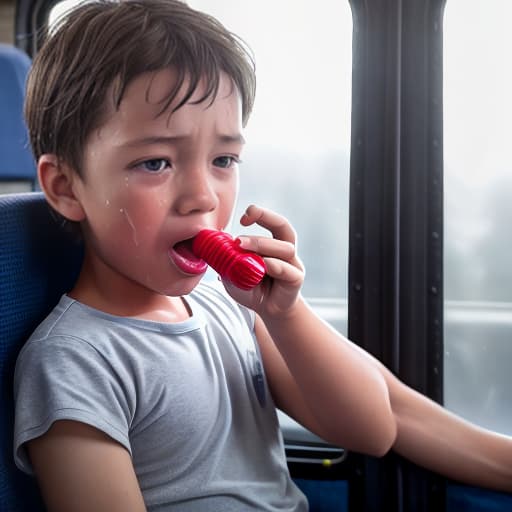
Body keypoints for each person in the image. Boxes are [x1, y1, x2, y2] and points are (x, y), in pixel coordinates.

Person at [12, 0, 512, 510]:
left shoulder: (230, 306)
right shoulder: (73, 363)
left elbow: (373, 429)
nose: (203, 196)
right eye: (156, 162)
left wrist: (285, 314)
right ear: (67, 187)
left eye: (223, 159)